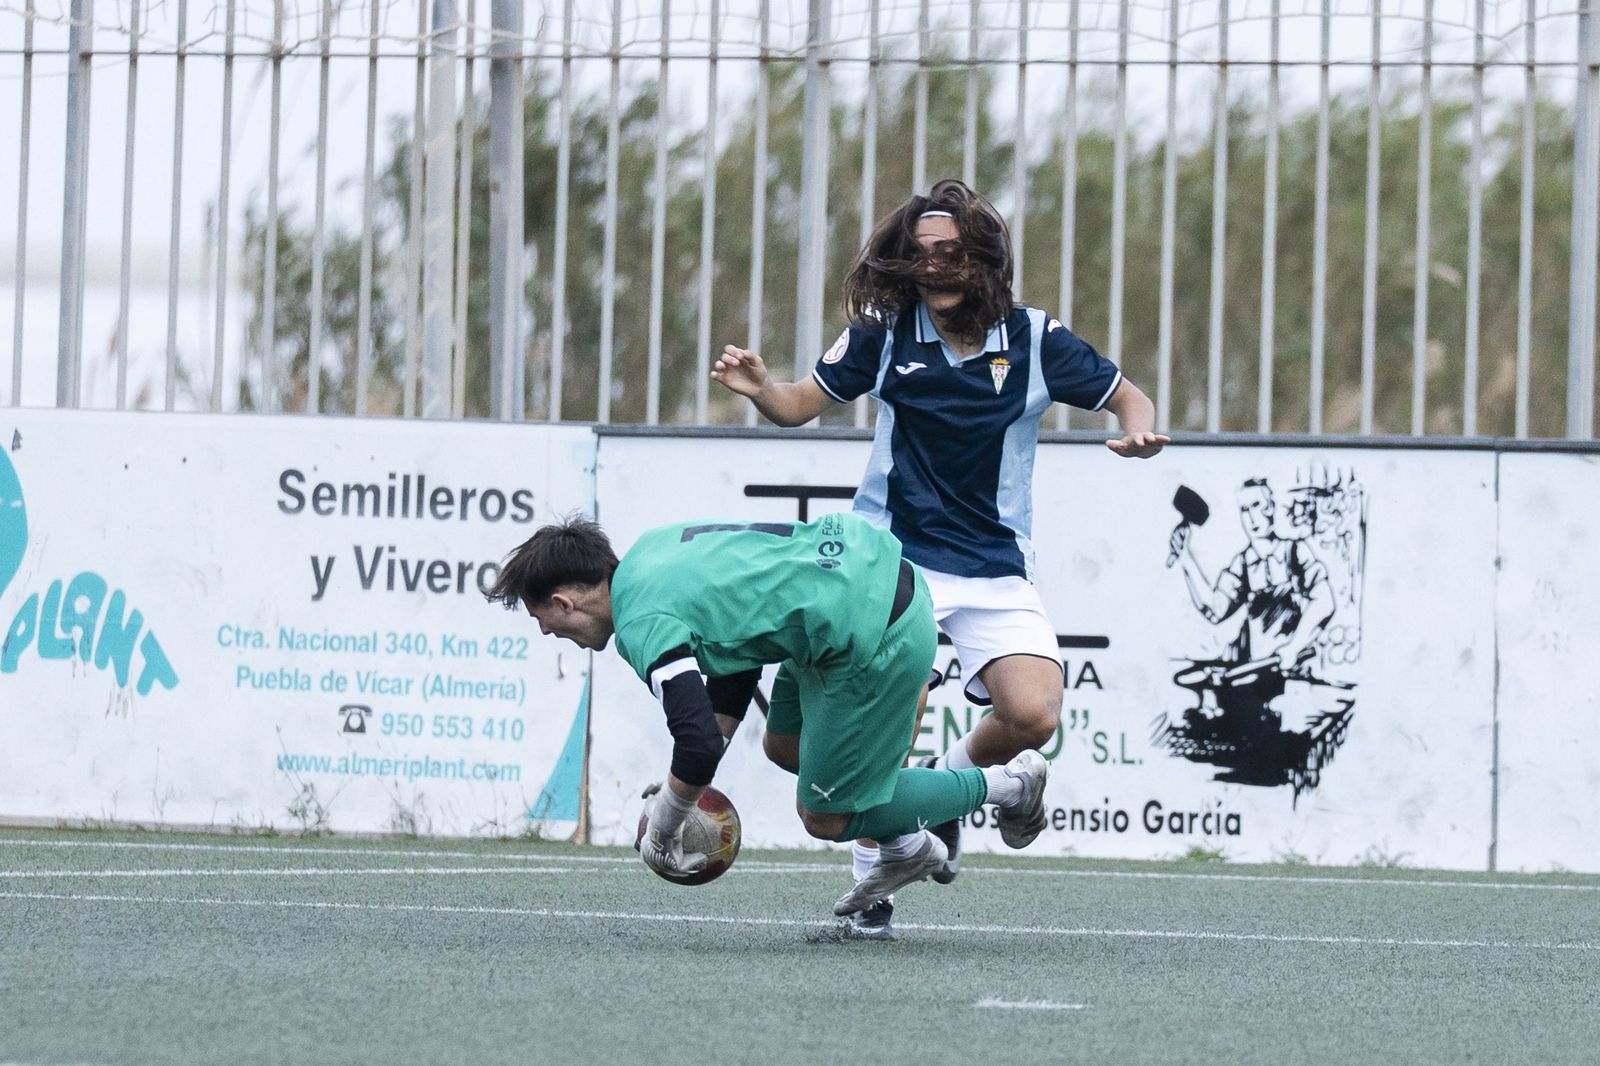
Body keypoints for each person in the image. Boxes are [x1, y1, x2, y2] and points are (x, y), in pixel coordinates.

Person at [712, 178, 1168, 936]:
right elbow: (798, 405)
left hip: (992, 562)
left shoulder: (1035, 339)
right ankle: (875, 887)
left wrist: (1140, 432)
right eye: (919, 254)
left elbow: (1128, 395)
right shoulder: (885, 334)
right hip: (893, 565)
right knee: (879, 729)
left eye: (951, 252)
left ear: (982, 257)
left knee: (1033, 712)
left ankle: (946, 789)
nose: (934, 266)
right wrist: (763, 390)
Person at [486, 512, 1050, 932]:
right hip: (858, 589)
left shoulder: (641, 621)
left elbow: (697, 744)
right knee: (784, 746)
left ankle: (1009, 785)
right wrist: (692, 776)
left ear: (563, 602)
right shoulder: (650, 555)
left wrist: (665, 825)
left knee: (825, 817)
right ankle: (904, 846)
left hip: (868, 633)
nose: (546, 632)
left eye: (541, 619)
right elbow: (737, 654)